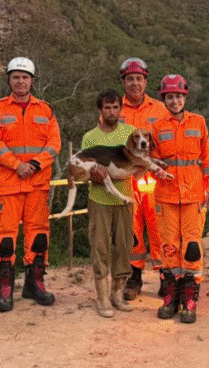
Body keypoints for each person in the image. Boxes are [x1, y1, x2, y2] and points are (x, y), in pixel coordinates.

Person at [0, 57, 62, 312]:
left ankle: (34, 283)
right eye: (15, 76)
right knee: (5, 238)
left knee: (38, 236)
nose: (20, 81)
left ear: (32, 81)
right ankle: (5, 289)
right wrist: (18, 166)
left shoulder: (46, 110)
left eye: (25, 77)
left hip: (38, 184)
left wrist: (36, 164)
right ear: (8, 79)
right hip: (9, 184)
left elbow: (54, 144)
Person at [150, 74, 209, 323]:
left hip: (193, 195)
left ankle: (190, 299)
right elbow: (151, 159)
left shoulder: (198, 123)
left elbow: (208, 159)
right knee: (168, 246)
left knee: (191, 246)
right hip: (166, 196)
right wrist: (154, 168)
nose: (175, 100)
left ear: (184, 96)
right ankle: (171, 298)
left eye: (178, 96)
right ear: (164, 99)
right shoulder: (157, 128)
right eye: (170, 96)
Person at [79, 88, 142, 317]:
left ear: (120, 109)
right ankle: (102, 296)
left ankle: (118, 292)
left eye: (116, 107)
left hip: (125, 200)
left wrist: (140, 172)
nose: (112, 111)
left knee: (124, 246)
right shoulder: (90, 137)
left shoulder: (130, 133)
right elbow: (82, 171)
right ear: (100, 110)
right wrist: (91, 175)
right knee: (101, 247)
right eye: (107, 107)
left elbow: (140, 161)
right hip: (100, 199)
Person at [117, 57, 171, 300]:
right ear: (123, 82)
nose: (135, 83)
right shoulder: (115, 109)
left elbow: (166, 142)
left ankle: (165, 276)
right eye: (130, 79)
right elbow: (108, 144)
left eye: (139, 79)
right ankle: (134, 277)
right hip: (128, 180)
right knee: (132, 230)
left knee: (159, 228)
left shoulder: (160, 109)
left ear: (145, 81)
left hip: (154, 180)